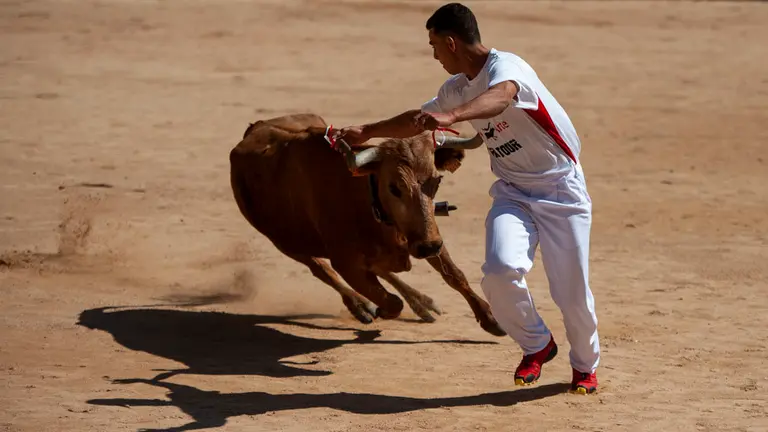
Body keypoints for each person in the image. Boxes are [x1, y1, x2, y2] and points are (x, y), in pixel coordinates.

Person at [333, 2, 600, 394]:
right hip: (513, 193)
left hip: (561, 190)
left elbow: (501, 97)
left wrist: (454, 117)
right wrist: (366, 131)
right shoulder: (454, 89)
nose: (434, 55)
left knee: (571, 292)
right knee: (498, 272)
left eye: (434, 45)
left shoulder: (507, 68)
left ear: (452, 42)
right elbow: (416, 121)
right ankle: (537, 345)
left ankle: (585, 368)